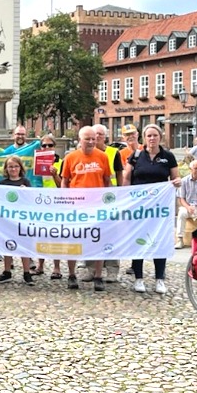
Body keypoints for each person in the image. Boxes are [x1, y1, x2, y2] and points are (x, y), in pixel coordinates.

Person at [122, 124, 180, 294]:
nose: (152, 138)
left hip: (159, 208)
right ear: (144, 138)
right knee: (138, 240)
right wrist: (126, 200)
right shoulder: (136, 155)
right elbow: (126, 179)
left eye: (155, 135)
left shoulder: (168, 156)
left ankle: (159, 279)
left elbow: (175, 178)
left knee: (159, 240)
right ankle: (139, 278)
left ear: (160, 137)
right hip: (139, 207)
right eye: (149, 136)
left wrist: (177, 182)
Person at [61, 126, 112, 292]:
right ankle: (71, 275)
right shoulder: (70, 157)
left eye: (93, 139)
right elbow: (65, 180)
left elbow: (107, 180)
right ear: (79, 139)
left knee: (98, 240)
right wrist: (65, 199)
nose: (91, 142)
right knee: (73, 241)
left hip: (97, 207)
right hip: (76, 207)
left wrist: (107, 201)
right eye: (87, 139)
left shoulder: (103, 157)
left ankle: (98, 276)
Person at [90, 124, 123, 283]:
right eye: (94, 134)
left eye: (100, 135)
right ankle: (89, 268)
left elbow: (119, 175)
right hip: (91, 200)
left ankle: (112, 269)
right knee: (90, 234)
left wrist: (120, 194)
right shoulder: (85, 152)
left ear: (105, 137)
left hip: (110, 199)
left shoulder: (113, 153)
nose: (97, 137)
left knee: (110, 234)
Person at [0, 156, 34, 285]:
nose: (13, 169)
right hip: (8, 220)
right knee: (7, 245)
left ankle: (27, 272)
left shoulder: (26, 182)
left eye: (16, 166)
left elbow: (31, 200)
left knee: (24, 245)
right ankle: (7, 271)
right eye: (11, 166)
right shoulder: (2, 183)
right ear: (6, 168)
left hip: (22, 219)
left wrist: (26, 192)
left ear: (20, 168)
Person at [35, 134, 63, 279]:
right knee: (41, 234)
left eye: (50, 145)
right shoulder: (36, 161)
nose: (47, 148)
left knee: (55, 235)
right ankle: (40, 265)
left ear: (54, 147)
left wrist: (55, 175)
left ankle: (57, 267)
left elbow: (62, 185)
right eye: (44, 145)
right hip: (40, 202)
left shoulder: (61, 162)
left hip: (56, 203)